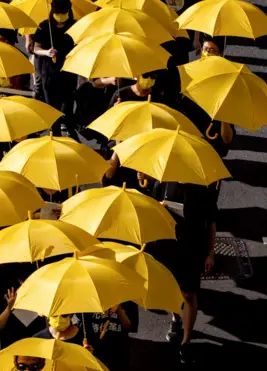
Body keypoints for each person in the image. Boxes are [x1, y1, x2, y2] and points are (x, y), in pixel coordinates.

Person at [146, 181, 218, 364]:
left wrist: (210, 252)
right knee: (172, 288)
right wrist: (158, 208)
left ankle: (186, 340)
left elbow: (211, 223)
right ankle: (175, 318)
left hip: (193, 250)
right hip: (168, 247)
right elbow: (150, 211)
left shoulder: (204, 190)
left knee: (188, 293)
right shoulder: (162, 185)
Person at [178, 35, 235, 158]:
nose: (207, 53)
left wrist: (223, 116)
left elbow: (227, 139)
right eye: (205, 49)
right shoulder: (190, 73)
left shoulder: (225, 84)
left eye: (212, 50)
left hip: (211, 143)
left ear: (220, 54)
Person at [32, 0, 79, 138]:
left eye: (63, 13)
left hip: (68, 75)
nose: (60, 16)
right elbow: (36, 48)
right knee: (52, 109)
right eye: (57, 13)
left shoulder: (75, 27)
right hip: (49, 74)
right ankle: (55, 135)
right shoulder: (43, 27)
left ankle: (70, 133)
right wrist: (47, 52)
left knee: (66, 108)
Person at [85, 302, 138, 371]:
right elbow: (83, 326)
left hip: (119, 351)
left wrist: (119, 310)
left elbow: (129, 326)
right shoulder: (90, 299)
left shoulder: (128, 302)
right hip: (95, 351)